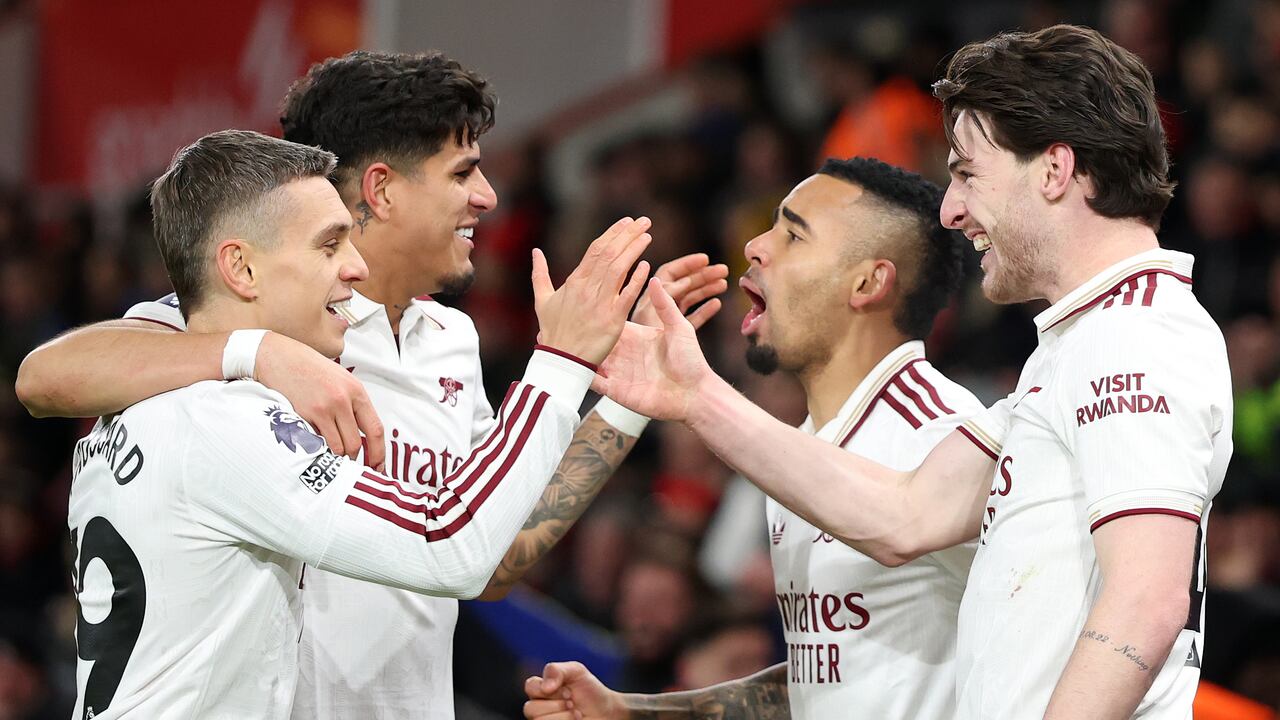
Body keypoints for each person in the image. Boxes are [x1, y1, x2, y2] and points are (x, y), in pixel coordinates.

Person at [16, 52, 727, 719]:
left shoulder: (449, 341)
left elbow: (489, 551)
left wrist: (623, 404)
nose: (487, 196)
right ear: (382, 189)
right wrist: (259, 352)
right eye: (461, 172)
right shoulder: (251, 329)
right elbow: (44, 377)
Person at [584, 25, 1231, 719]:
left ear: (1053, 170)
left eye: (967, 172)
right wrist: (695, 395)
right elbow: (902, 514)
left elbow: (1145, 604)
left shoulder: (1132, 334)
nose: (951, 209)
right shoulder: (1078, 346)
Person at [525, 157, 982, 719]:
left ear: (867, 282)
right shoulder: (803, 443)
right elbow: (829, 679)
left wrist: (695, 396)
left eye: (792, 234)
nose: (757, 246)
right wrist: (633, 713)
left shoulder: (947, 435)